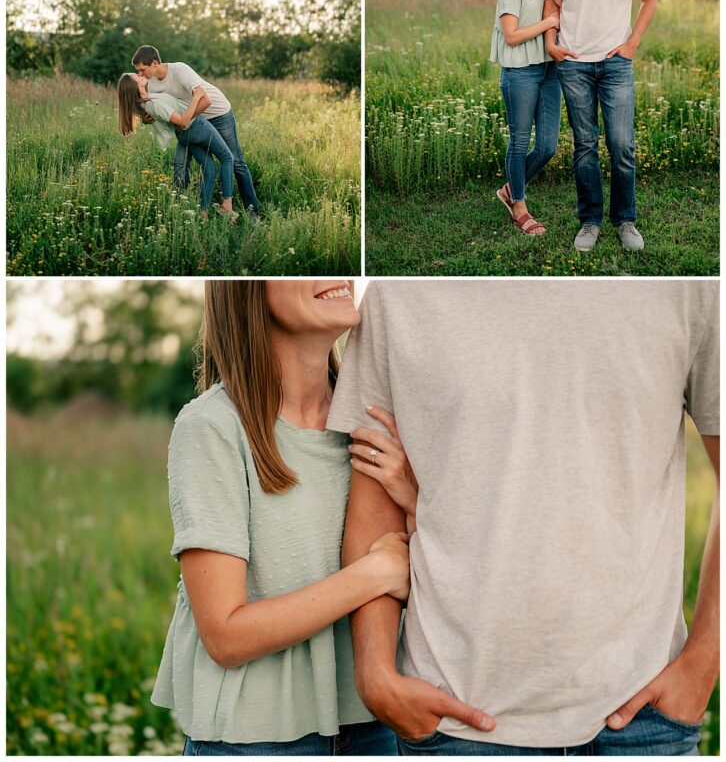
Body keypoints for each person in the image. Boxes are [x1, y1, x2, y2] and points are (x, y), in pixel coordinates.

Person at [327, 279, 719, 757]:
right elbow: (373, 490)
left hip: (642, 722)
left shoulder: (690, 289)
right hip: (455, 722)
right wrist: (375, 673)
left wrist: (702, 661)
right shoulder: (397, 295)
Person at [151, 280, 418, 756]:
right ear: (247, 290)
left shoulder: (373, 422)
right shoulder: (212, 428)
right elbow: (226, 636)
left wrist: (415, 502)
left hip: (374, 725)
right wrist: (373, 574)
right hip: (257, 738)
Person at [540, 0, 658, 252]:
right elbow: (550, 2)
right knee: (585, 146)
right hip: (573, 63)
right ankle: (590, 221)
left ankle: (625, 220)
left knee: (622, 145)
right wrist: (550, 44)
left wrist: (631, 45)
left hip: (615, 64)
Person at [490, 0, 563, 236]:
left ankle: (510, 187)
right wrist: (547, 21)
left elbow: (563, 19)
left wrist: (560, 1)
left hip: (549, 70)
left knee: (547, 145)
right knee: (520, 142)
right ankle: (518, 205)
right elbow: (512, 35)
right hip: (520, 71)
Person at [131, 46, 261, 218]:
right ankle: (189, 210)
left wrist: (185, 120)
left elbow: (205, 101)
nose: (140, 74)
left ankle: (253, 212)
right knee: (183, 162)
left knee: (235, 160)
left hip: (217, 113)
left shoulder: (180, 70)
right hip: (194, 122)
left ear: (154, 63)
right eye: (137, 71)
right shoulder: (152, 84)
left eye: (142, 69)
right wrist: (150, 120)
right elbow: (166, 110)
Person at [117, 73, 236, 219]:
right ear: (136, 86)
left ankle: (203, 212)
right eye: (136, 76)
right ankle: (227, 204)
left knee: (209, 169)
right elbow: (183, 121)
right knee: (227, 157)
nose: (139, 74)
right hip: (195, 126)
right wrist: (197, 98)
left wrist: (145, 119)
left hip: (185, 136)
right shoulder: (153, 103)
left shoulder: (146, 101)